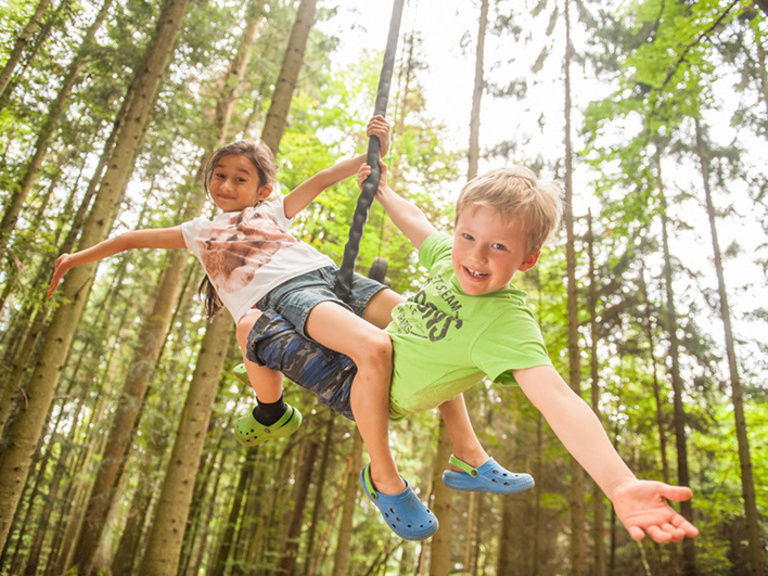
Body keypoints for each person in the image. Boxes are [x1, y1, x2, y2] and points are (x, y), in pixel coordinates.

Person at [244, 160, 700, 544]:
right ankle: (469, 455)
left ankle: (382, 478)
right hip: (375, 345)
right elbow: (419, 224)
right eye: (468, 238)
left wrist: (619, 482)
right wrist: (383, 190)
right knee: (400, 311)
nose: (476, 257)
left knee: (250, 325)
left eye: (498, 247)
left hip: (359, 388)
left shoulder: (506, 324)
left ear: (527, 259)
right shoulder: (451, 259)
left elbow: (559, 400)